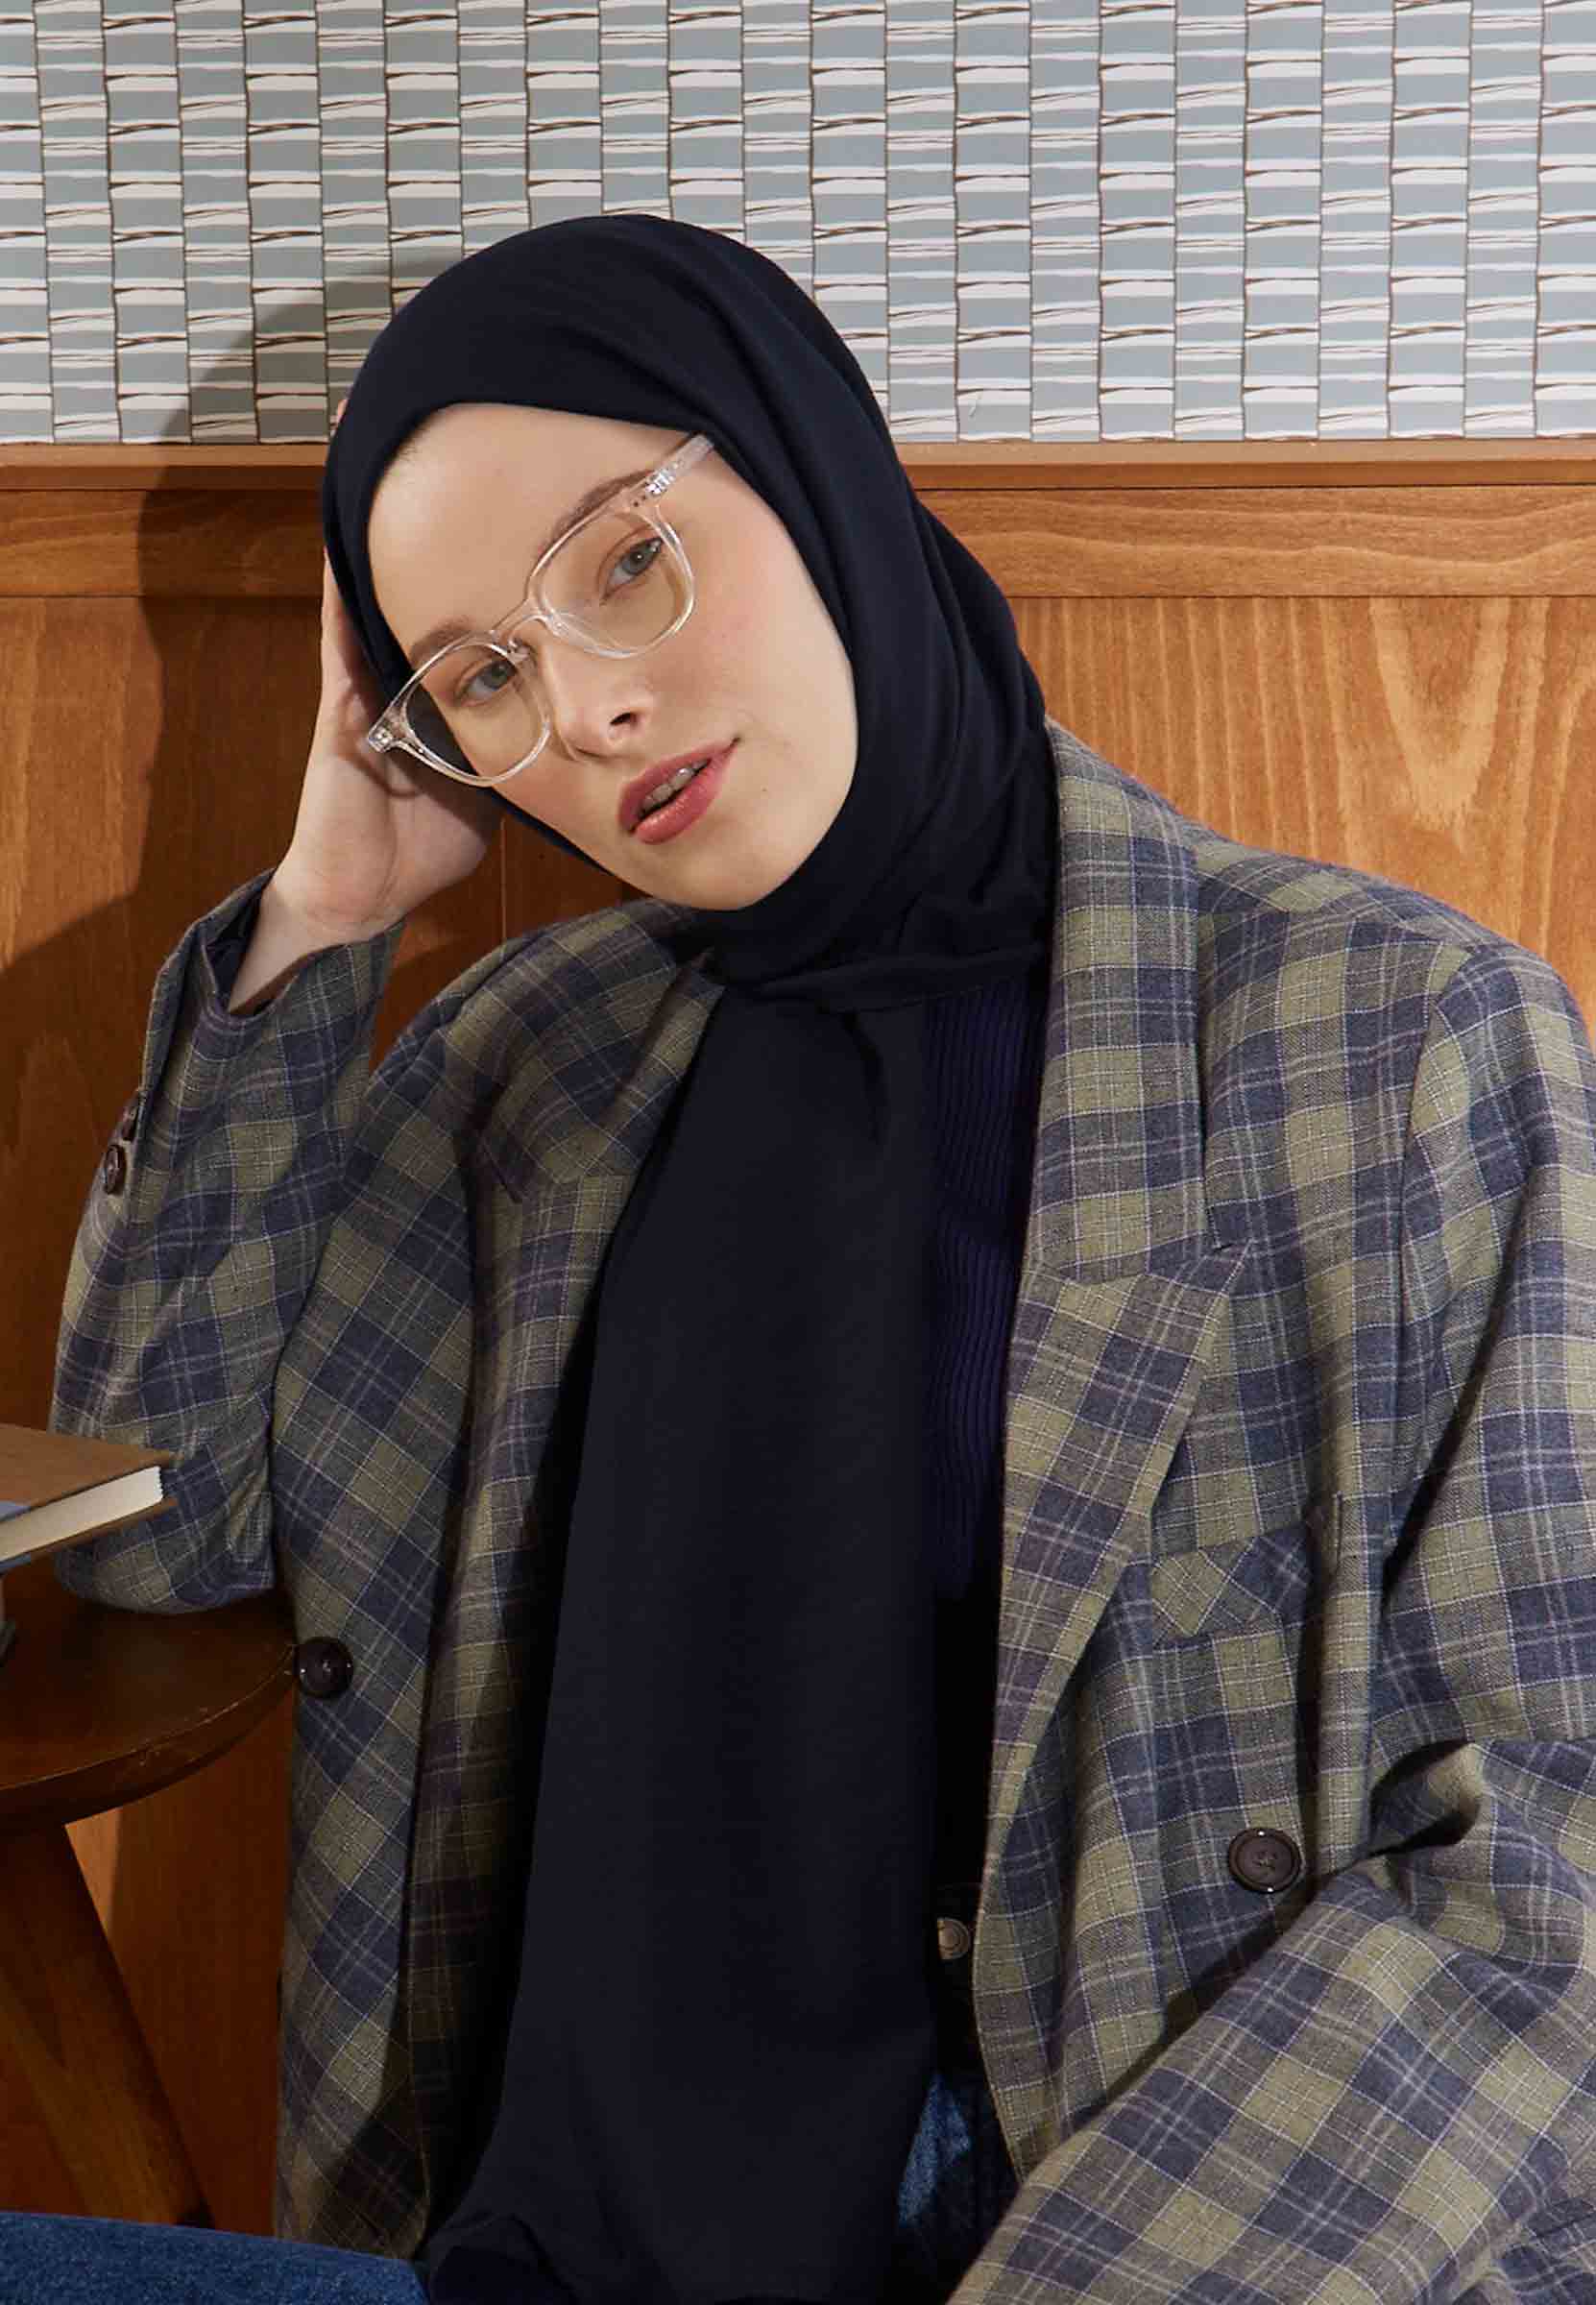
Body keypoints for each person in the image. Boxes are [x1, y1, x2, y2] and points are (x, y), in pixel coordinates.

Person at [6, 212, 1596, 2305]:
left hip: (1156, 2205)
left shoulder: (1386, 1039)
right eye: (479, 678)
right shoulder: (525, 1072)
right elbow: (163, 1529)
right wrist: (318, 920)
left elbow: (1543, 1856)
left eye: (622, 565)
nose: (590, 709)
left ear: (813, 466)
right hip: (567, 2226)